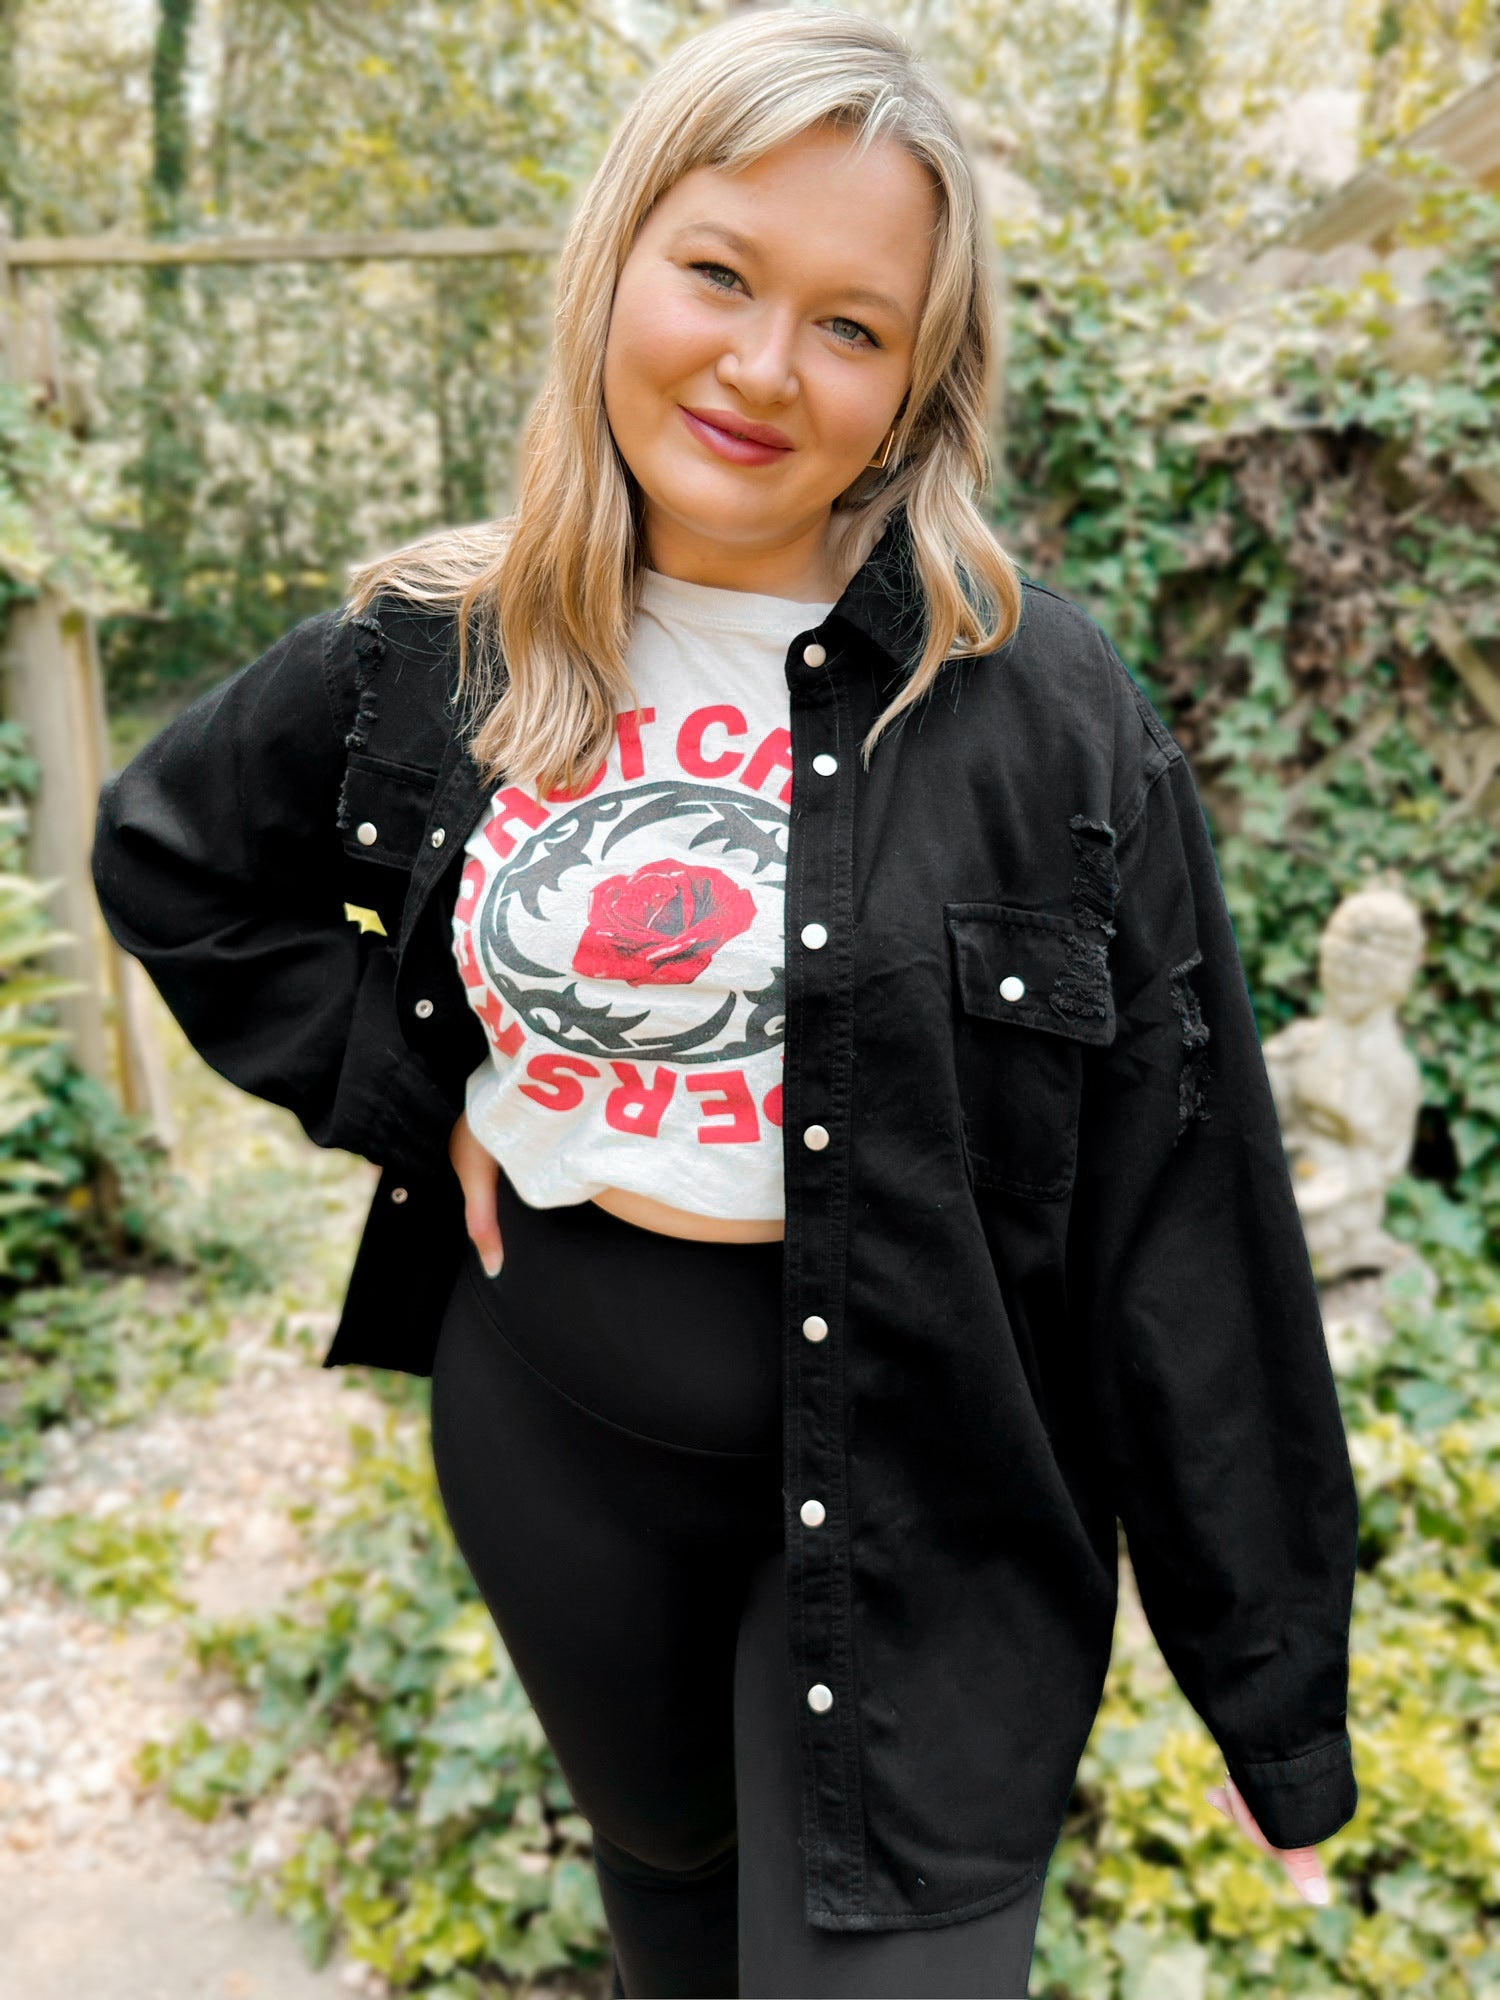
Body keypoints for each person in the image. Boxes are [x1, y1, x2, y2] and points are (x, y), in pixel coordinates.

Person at [90, 11, 1361, 1997]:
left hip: (944, 1498)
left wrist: (1272, 1693)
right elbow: (171, 858)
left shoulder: (1043, 713)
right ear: (618, 262)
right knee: (672, 1907)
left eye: (852, 326)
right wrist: (411, 1091)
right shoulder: (445, 644)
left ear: (923, 380)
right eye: (719, 273)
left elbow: (1186, 1212)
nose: (765, 367)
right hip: (560, 1448)